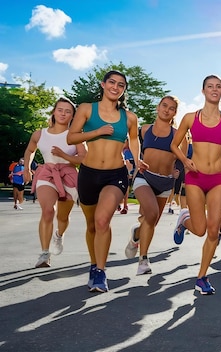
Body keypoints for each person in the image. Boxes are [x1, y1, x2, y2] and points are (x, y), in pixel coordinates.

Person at [68, 70, 144, 293]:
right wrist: (97, 132)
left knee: (102, 221)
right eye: (112, 82)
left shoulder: (129, 117)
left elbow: (134, 140)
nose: (116, 87)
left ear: (123, 89)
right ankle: (94, 264)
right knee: (92, 224)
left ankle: (101, 271)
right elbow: (71, 137)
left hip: (115, 174)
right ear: (103, 84)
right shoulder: (86, 109)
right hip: (89, 174)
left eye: (121, 84)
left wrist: (138, 161)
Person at [170, 74, 221, 295]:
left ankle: (202, 277)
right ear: (203, 91)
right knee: (199, 230)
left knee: (213, 230)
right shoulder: (190, 118)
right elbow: (174, 144)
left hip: (218, 178)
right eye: (210, 86)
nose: (215, 90)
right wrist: (184, 160)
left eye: (219, 86)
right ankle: (184, 219)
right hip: (195, 176)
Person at [23, 97, 86, 268]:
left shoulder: (76, 136)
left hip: (69, 175)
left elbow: (83, 158)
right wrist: (27, 168)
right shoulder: (39, 133)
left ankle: (58, 235)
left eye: (68, 111)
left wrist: (64, 155)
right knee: (48, 211)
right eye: (60, 110)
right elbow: (29, 150)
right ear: (54, 111)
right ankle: (44, 253)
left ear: (72, 115)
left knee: (63, 217)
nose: (63, 113)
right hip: (47, 173)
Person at [124, 96, 181, 275]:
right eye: (164, 106)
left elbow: (183, 159)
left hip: (165, 182)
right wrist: (134, 161)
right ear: (158, 107)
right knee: (151, 213)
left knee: (152, 222)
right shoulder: (145, 130)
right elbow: (128, 146)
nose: (167, 110)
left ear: (174, 113)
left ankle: (136, 235)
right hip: (144, 177)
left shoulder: (178, 134)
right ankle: (143, 260)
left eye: (171, 108)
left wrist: (177, 170)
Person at [119, 140, 135, 214]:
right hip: (122, 169)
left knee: (126, 188)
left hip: (129, 171)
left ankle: (125, 205)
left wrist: (131, 172)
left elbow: (132, 163)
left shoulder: (130, 151)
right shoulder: (121, 151)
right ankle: (120, 204)